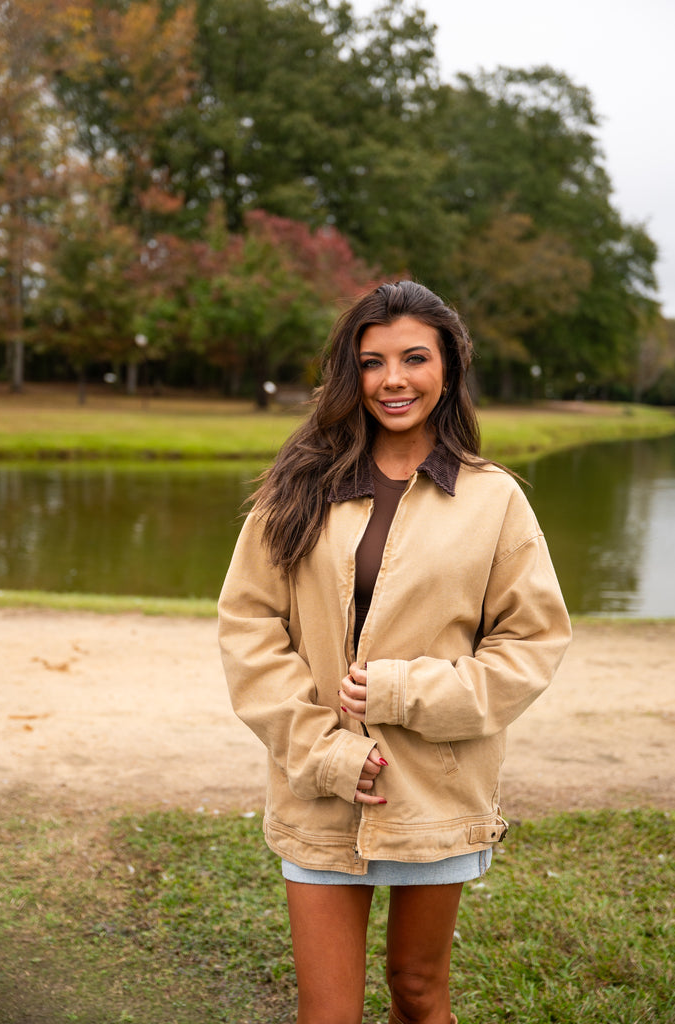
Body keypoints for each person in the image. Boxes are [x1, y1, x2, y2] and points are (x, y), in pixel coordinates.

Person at [218, 280, 572, 1024]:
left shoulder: (494, 499)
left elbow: (531, 641)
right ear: (353, 373)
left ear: (448, 368)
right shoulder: (295, 489)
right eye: (372, 362)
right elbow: (249, 629)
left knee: (417, 995)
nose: (393, 380)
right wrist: (324, 752)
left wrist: (404, 693)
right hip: (315, 788)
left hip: (434, 791)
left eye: (414, 358)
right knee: (328, 1016)